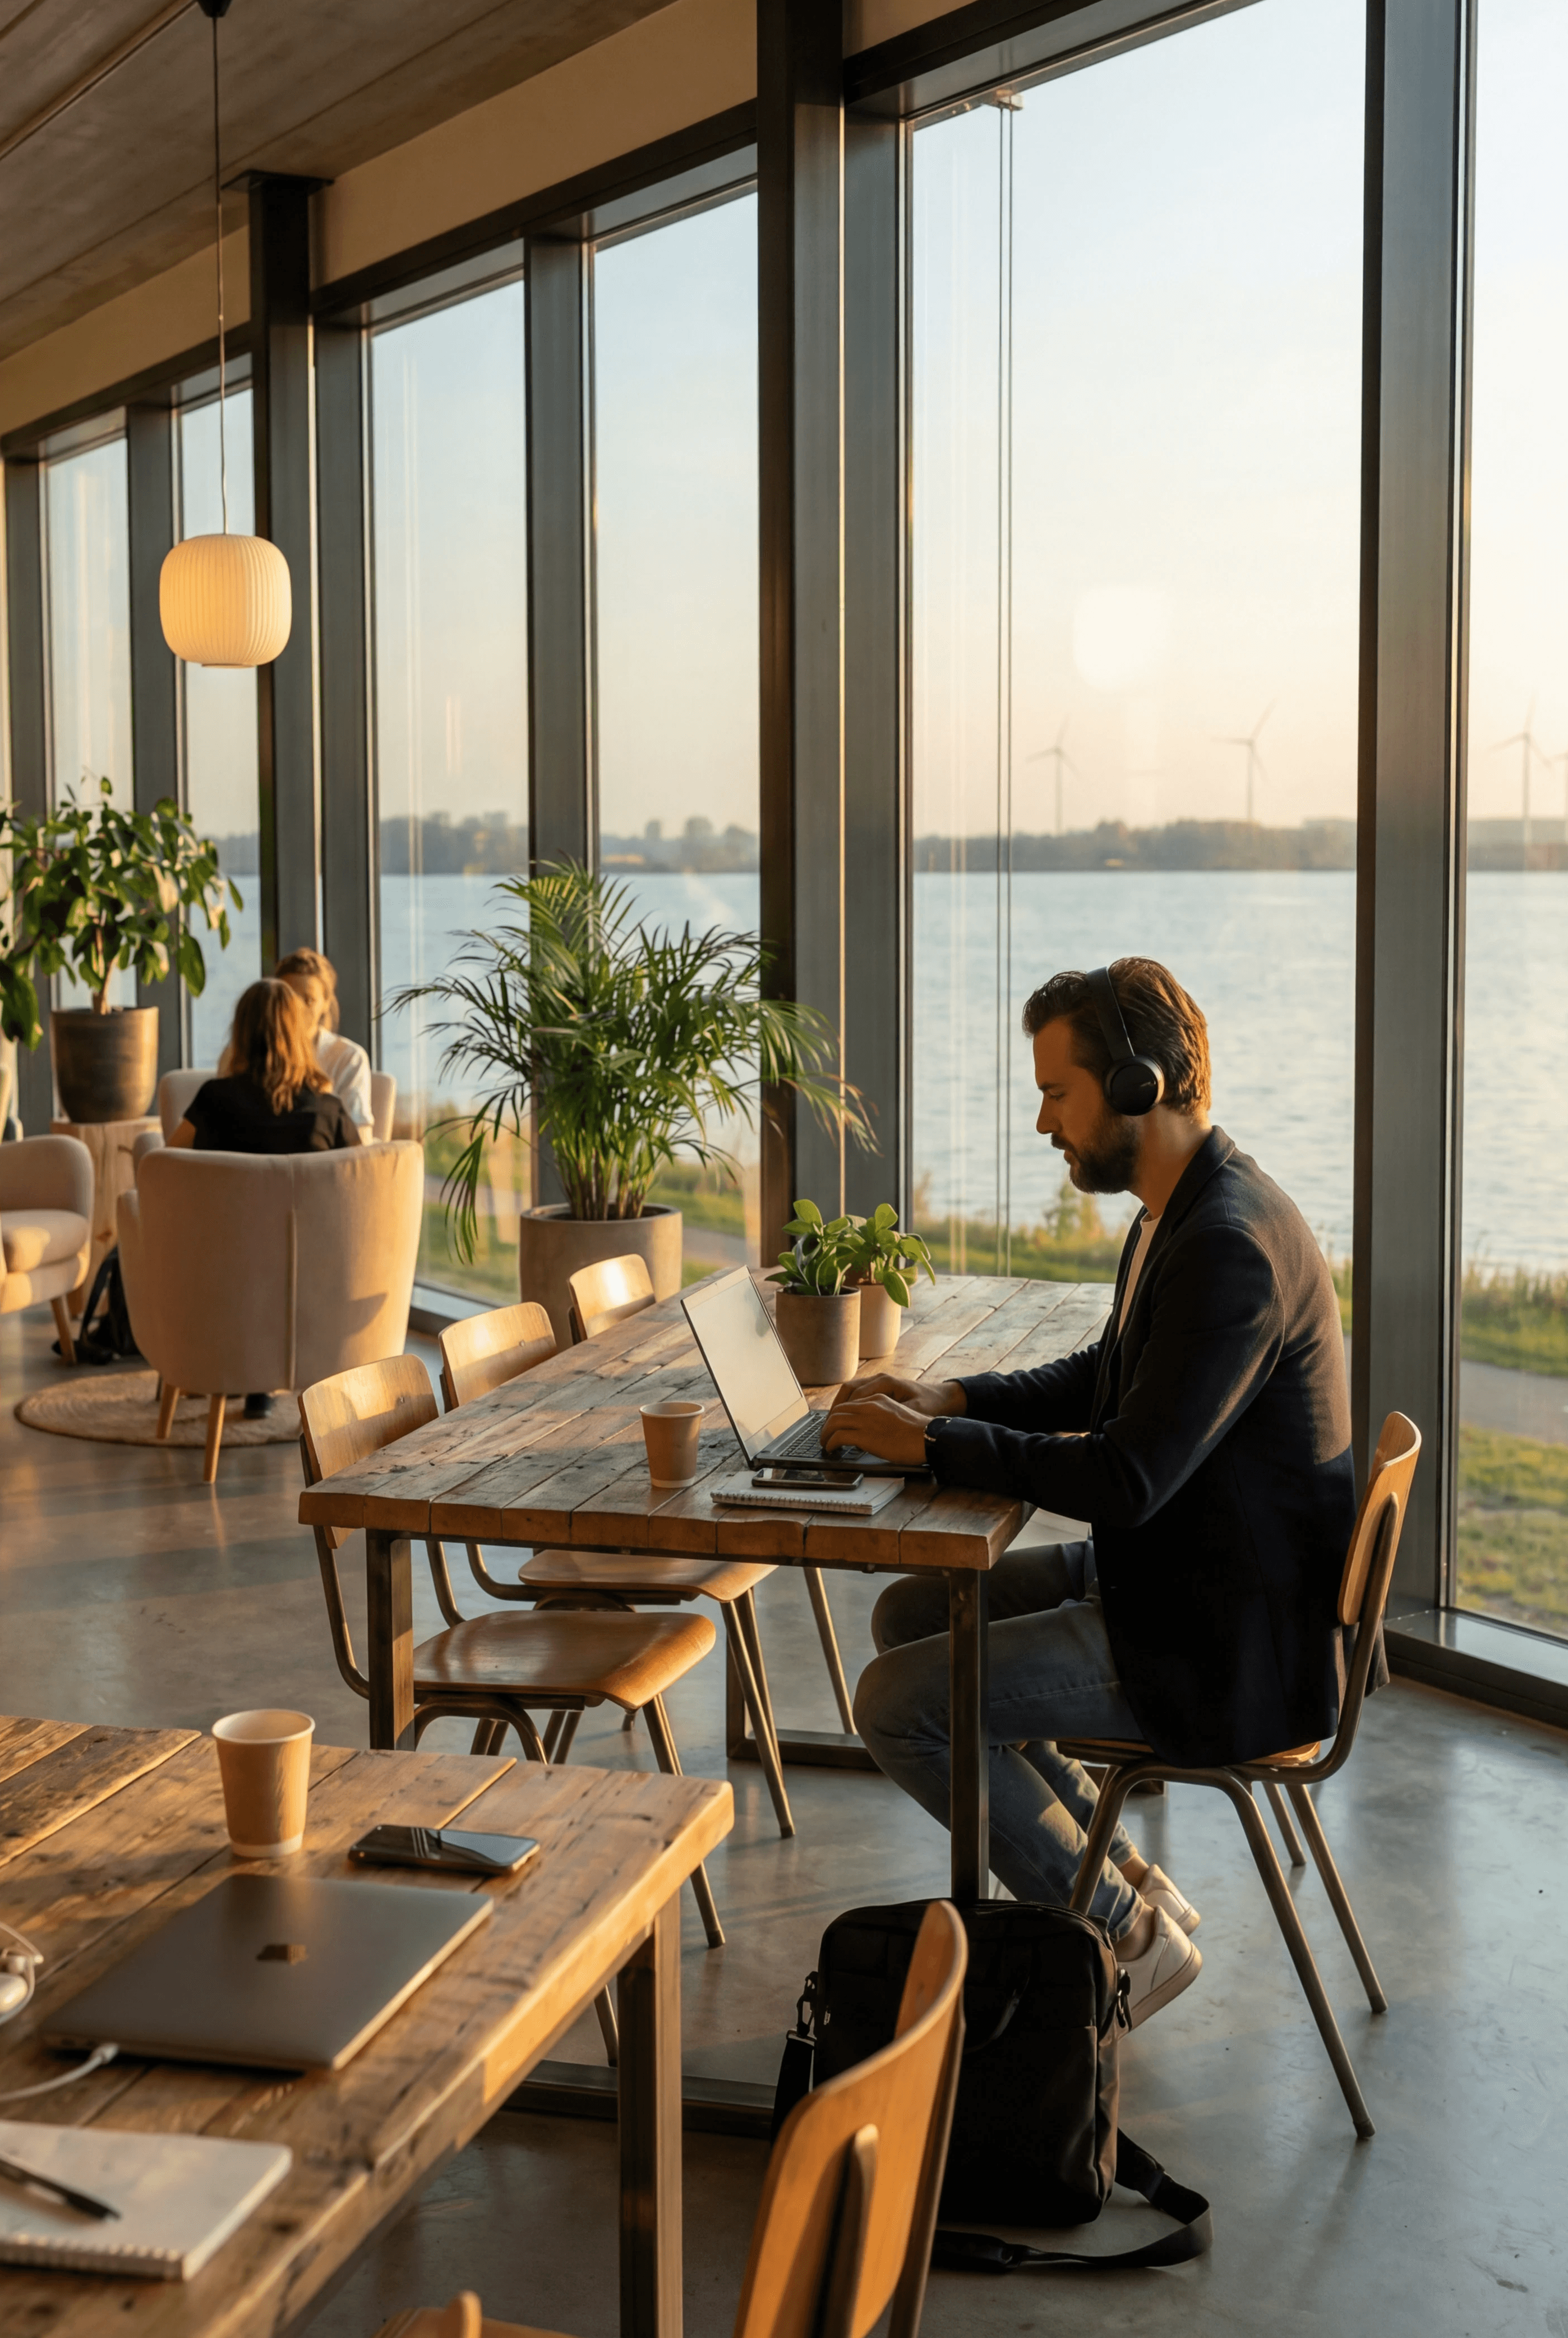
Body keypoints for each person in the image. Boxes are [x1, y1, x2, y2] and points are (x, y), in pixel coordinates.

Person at [825, 958, 1357, 2031]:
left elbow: (1126, 1475)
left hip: (1216, 1640)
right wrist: (953, 1394)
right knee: (911, 1611)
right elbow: (1104, 1380)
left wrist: (933, 1446)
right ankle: (1115, 1868)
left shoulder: (1227, 1249)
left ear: (1135, 1087)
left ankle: (1120, 1933)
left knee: (894, 1703)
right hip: (1190, 1575)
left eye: (1056, 1092)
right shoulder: (1185, 1206)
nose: (1041, 1123)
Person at [173, 979, 362, 1158]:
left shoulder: (212, 1101)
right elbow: (363, 1180)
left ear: (240, 1033)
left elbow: (160, 1169)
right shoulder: (329, 1113)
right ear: (299, 1037)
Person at [273, 948, 375, 1139]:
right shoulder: (251, 1054)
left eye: (309, 1000)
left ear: (326, 1003)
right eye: (290, 999)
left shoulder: (348, 1058)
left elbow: (360, 1138)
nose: (298, 1009)